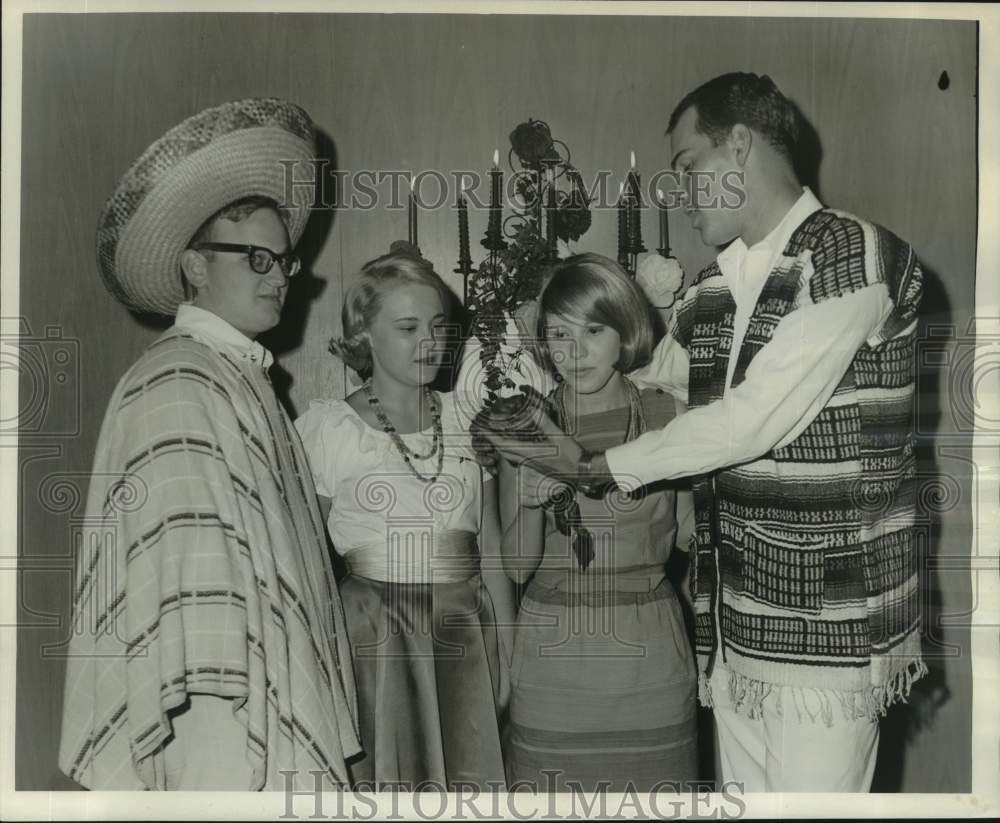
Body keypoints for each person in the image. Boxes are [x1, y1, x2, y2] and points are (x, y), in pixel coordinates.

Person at [481, 73, 926, 792]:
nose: (679, 194)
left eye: (689, 169)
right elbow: (649, 362)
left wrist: (592, 466)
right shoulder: (718, 289)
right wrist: (536, 337)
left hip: (832, 637)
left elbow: (752, 416)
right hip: (737, 634)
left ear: (740, 146)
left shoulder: (851, 256)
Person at [58, 98, 360, 790]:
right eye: (257, 257)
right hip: (211, 704)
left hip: (253, 687)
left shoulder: (242, 376)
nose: (281, 276)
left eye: (285, 261)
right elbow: (188, 593)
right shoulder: (173, 382)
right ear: (195, 265)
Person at [294, 251, 516, 791]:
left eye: (439, 327)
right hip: (373, 640)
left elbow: (490, 551)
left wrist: (508, 650)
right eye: (408, 327)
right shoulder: (330, 429)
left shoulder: (466, 420)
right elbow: (305, 563)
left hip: (463, 631)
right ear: (364, 334)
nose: (429, 342)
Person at [496, 253, 698, 792]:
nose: (575, 351)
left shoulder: (667, 415)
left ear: (624, 329)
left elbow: (688, 534)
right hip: (553, 664)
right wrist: (529, 504)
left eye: (593, 329)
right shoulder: (526, 423)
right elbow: (516, 569)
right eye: (558, 334)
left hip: (649, 659)